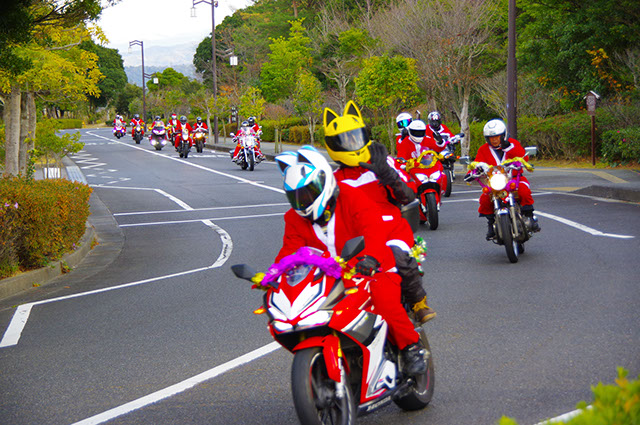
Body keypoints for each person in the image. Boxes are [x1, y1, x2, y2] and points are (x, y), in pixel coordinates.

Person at [274, 145, 427, 376]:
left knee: (383, 299)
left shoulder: (350, 195)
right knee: (303, 312)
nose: (302, 201)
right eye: (295, 196)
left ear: (324, 181)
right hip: (329, 276)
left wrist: (371, 258)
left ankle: (411, 347)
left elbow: (373, 228)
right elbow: (290, 252)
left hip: (372, 266)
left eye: (307, 192)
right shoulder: (293, 218)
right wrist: (274, 276)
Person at [323, 101, 436, 323]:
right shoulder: (333, 180)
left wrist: (386, 174)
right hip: (355, 237)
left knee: (398, 256)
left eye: (355, 137)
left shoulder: (384, 163)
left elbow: (408, 195)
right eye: (345, 140)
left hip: (390, 229)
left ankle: (418, 302)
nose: (352, 144)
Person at [468, 118, 540, 239]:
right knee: (485, 198)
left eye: (497, 136)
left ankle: (529, 216)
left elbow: (524, 158)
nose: (494, 140)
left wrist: (509, 148)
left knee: (524, 190)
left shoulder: (512, 143)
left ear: (504, 135)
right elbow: (477, 163)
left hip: (515, 179)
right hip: (495, 182)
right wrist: (471, 173)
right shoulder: (483, 149)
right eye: (491, 138)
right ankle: (491, 223)